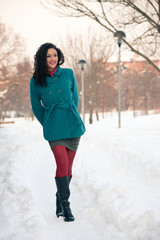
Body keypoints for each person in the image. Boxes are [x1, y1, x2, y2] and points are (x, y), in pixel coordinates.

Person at [30, 43, 86, 222]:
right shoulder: (36, 80)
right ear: (42, 59)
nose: (52, 59)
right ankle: (66, 205)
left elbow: (75, 98)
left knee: (68, 168)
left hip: (72, 125)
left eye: (54, 55)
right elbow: (36, 107)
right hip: (54, 128)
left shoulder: (68, 74)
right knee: (62, 164)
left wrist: (71, 115)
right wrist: (48, 122)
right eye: (48, 56)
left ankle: (58, 199)